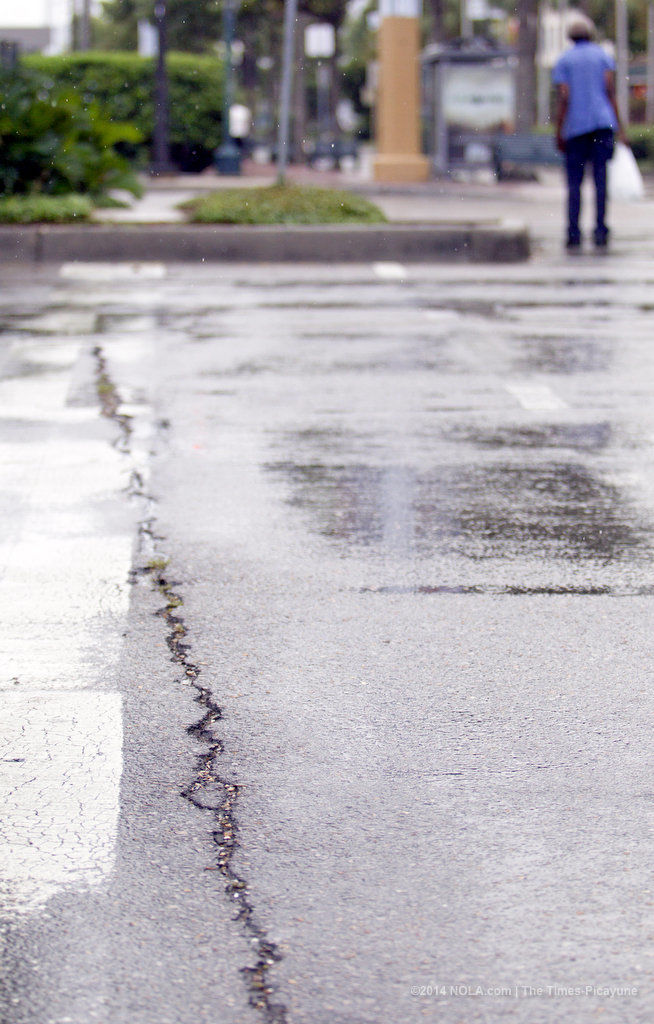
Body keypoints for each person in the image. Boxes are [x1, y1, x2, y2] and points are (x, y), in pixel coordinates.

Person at [552, 18, 626, 249]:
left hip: (576, 127)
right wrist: (621, 127)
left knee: (575, 184)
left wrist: (559, 130)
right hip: (603, 124)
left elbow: (564, 96)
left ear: (570, 37)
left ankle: (573, 231)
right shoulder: (602, 56)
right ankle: (601, 230)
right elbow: (610, 90)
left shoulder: (564, 60)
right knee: (601, 181)